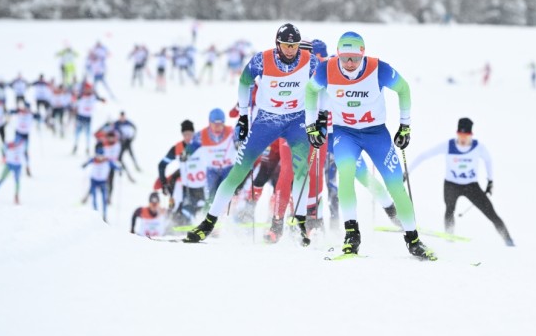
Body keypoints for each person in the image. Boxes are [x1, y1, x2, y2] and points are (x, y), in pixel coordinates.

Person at [304, 31, 435, 260]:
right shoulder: (327, 69)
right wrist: (311, 125)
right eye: (345, 58)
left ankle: (413, 239)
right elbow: (310, 90)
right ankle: (352, 234)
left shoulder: (378, 68)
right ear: (338, 55)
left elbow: (403, 89)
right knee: (346, 174)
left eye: (354, 58)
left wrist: (405, 126)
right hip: (346, 134)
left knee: (395, 185)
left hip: (377, 134)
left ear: (363, 54)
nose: (350, 63)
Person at [184, 23, 318, 244]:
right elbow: (244, 83)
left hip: (296, 120)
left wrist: (317, 119)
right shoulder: (261, 60)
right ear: (278, 44)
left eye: (294, 46)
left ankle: (301, 223)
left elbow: (320, 87)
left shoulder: (309, 60)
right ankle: (208, 223)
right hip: (267, 120)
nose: (290, 50)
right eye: (286, 45)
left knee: (301, 170)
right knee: (239, 170)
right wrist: (244, 116)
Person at [407, 118, 514, 246]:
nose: (463, 139)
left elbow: (488, 160)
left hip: (471, 186)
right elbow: (424, 156)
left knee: (491, 213)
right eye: (460, 135)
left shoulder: (478, 147)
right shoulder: (449, 145)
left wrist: (490, 181)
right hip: (451, 185)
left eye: (466, 136)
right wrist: (407, 172)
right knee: (449, 210)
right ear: (457, 133)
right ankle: (449, 238)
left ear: (471, 135)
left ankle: (509, 241)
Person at [81, 144, 121, 222]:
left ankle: (104, 216)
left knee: (104, 200)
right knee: (94, 199)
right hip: (94, 181)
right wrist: (84, 165)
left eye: (101, 155)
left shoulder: (107, 161)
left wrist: (119, 169)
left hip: (103, 182)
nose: (99, 158)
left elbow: (116, 167)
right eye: (98, 155)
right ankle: (96, 216)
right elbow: (86, 163)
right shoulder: (93, 159)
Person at [0, 135, 28, 204]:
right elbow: (2, 147)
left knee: (17, 181)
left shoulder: (22, 145)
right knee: (1, 179)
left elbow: (25, 153)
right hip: (9, 164)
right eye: (15, 144)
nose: (16, 145)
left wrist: (26, 164)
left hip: (18, 166)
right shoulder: (9, 144)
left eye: (18, 143)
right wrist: (4, 156)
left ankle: (16, 196)